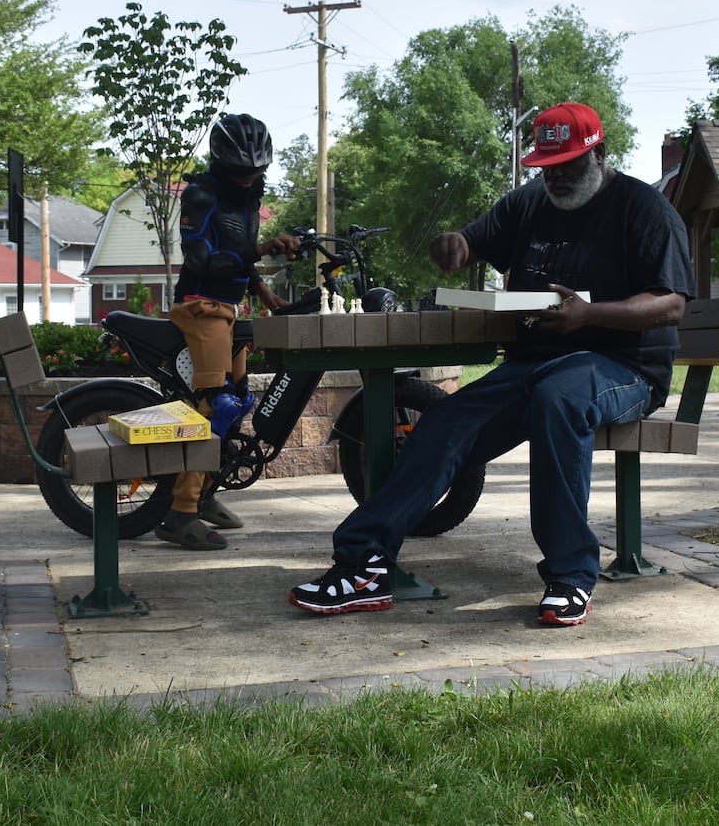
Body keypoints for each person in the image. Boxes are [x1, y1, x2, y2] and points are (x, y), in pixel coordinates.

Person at [288, 102, 694, 625]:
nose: (557, 176)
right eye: (547, 166)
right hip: (534, 365)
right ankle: (364, 562)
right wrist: (457, 246)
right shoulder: (529, 204)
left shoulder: (643, 209)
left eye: (568, 164)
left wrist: (591, 314)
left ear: (599, 154)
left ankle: (570, 575)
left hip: (622, 367)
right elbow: (472, 242)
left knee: (560, 398)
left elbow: (671, 304)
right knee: (444, 421)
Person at [157, 113, 300, 551]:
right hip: (200, 307)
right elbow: (202, 260)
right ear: (223, 162)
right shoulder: (201, 195)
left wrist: (268, 297)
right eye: (242, 170)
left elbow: (240, 259)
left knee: (237, 406)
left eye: (257, 169)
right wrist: (263, 247)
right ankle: (180, 513)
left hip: (229, 310)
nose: (249, 177)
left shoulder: (247, 198)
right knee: (213, 407)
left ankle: (204, 495)